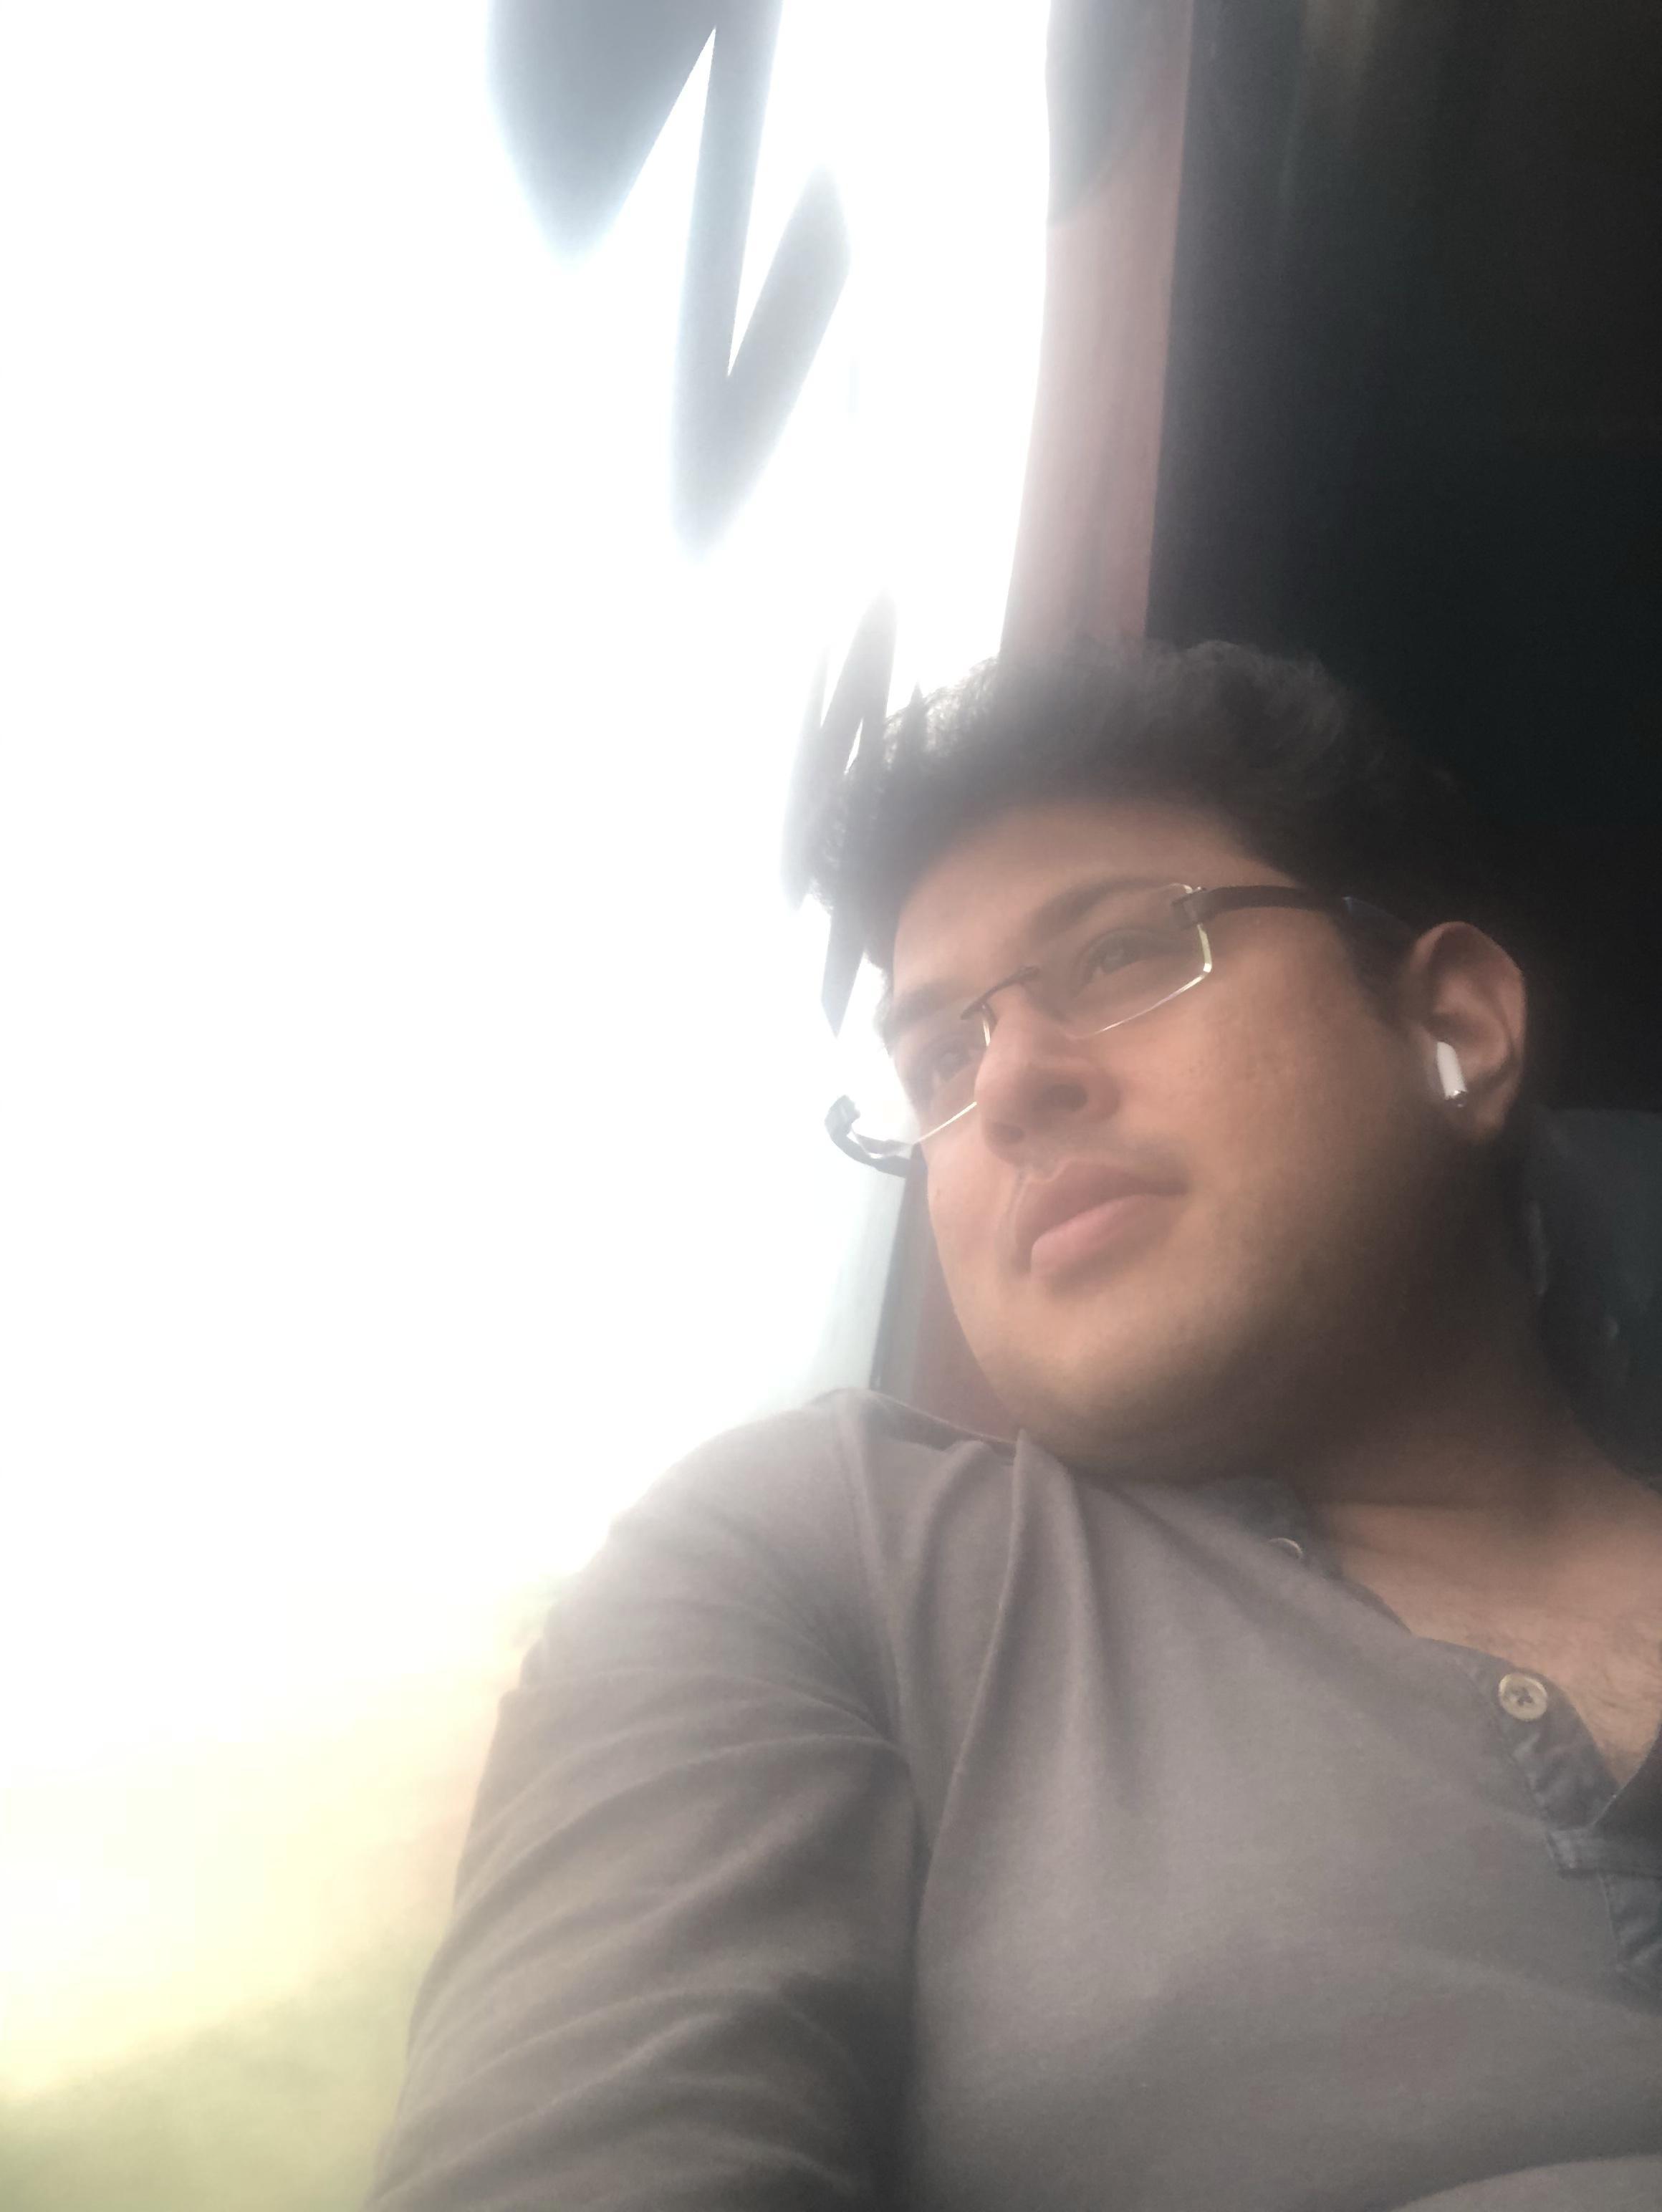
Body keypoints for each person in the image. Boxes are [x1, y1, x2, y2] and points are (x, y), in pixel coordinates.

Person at [368, 643, 1662, 2212]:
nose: (1009, 1088)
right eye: (939, 1058)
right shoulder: (824, 1565)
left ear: (1452, 1022)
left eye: (1119, 952)